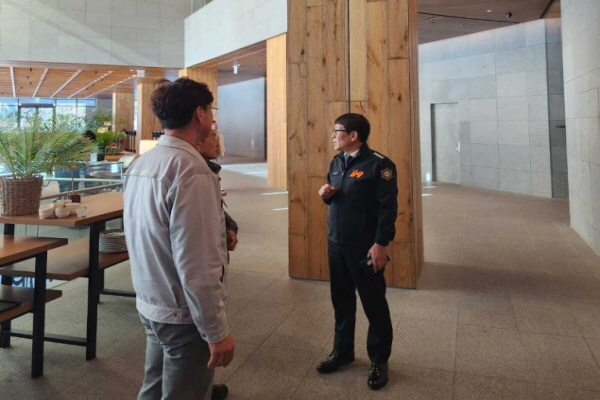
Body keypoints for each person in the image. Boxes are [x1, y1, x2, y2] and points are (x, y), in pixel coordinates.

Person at [123, 77, 234, 400]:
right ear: (199, 113)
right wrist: (216, 331)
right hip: (182, 312)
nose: (212, 118)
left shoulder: (143, 162)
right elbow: (197, 263)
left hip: (151, 300)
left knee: (154, 388)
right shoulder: (191, 170)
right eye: (211, 110)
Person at [317, 113, 398, 391]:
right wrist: (327, 196)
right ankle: (342, 352)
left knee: (373, 304)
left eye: (337, 130)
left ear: (353, 135)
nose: (333, 135)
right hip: (337, 244)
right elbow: (342, 199)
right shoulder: (337, 161)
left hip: (365, 247)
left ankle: (379, 360)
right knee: (341, 301)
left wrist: (381, 244)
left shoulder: (379, 165)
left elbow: (387, 208)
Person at [198, 129, 239, 251]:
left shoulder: (210, 170)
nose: (218, 144)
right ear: (197, 142)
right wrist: (226, 236)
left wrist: (231, 227)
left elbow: (216, 208)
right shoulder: (197, 175)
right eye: (213, 138)